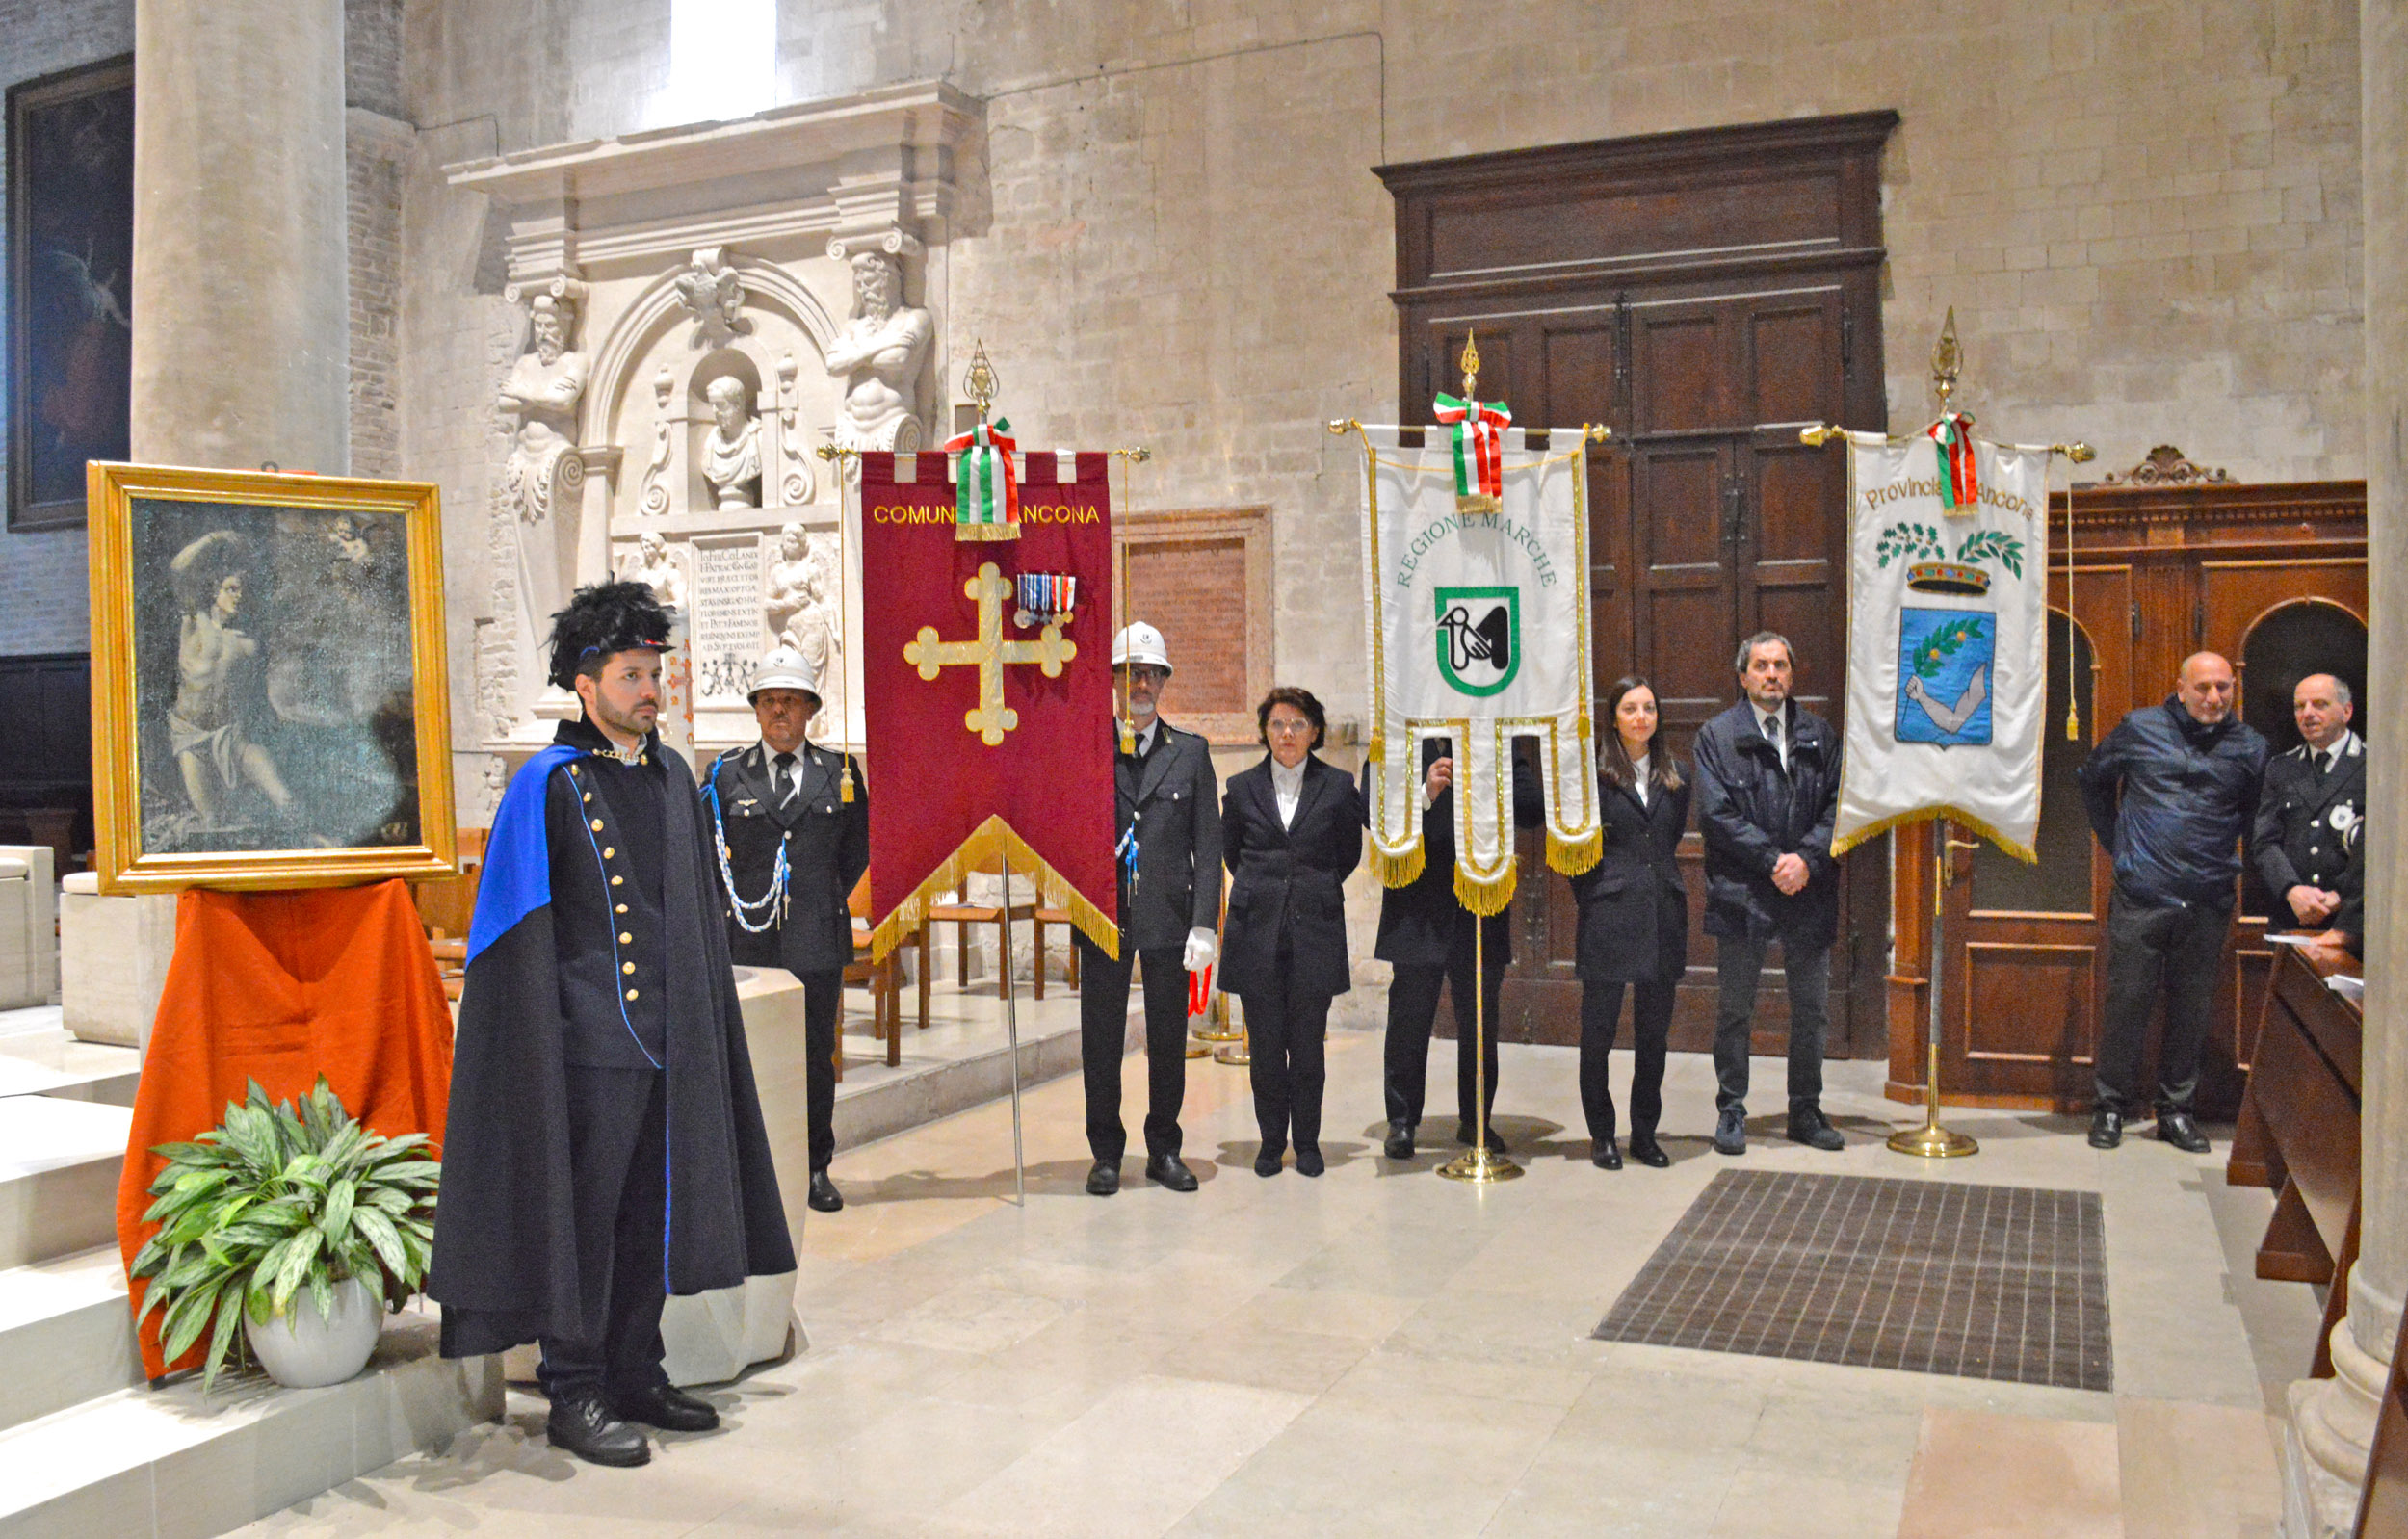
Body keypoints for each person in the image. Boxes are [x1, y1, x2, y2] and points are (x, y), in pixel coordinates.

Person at [431, 582, 793, 1468]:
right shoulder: (546, 787)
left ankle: (638, 1367)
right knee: (586, 1222)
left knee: (650, 1216)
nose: (648, 690)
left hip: (672, 1040)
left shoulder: (672, 774)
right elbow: (513, 937)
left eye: (653, 673)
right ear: (584, 686)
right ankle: (576, 1387)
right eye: (630, 675)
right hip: (589, 1048)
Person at [2077, 651, 2269, 1153]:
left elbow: (2257, 820)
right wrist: (2119, 843)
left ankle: (2176, 1113)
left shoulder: (2250, 747)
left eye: (2224, 687)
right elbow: (2093, 780)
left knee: (2192, 1010)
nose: (2214, 698)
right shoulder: (2140, 729)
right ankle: (2110, 1109)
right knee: (2128, 1005)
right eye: (2204, 687)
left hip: (2207, 900)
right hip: (2143, 895)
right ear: (2180, 687)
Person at [704, 646, 868, 1214]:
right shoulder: (725, 776)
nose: (780, 712)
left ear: (809, 711)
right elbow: (710, 858)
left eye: (791, 702)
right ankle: (754, 1169)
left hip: (815, 938)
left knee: (814, 1056)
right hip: (749, 940)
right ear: (755, 710)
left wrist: (817, 903)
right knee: (748, 1055)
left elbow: (855, 854)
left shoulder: (840, 773)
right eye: (770, 701)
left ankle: (815, 1166)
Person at [1075, 622, 1222, 1196]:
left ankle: (1164, 1148)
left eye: (1149, 674)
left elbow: (1207, 846)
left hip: (1168, 914)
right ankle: (1105, 1153)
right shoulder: (1087, 750)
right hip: (1103, 915)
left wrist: (1205, 923)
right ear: (1112, 680)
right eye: (1129, 672)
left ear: (1163, 683)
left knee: (1166, 1039)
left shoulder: (1189, 752)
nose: (1139, 683)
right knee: (1101, 1041)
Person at [1692, 632, 1846, 1156]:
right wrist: (1772, 860)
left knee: (1812, 1009)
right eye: (1761, 666)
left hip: (1809, 888)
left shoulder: (1820, 735)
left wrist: (1805, 858)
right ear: (1743, 677)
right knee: (1736, 1008)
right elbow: (1715, 815)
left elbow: (1837, 808)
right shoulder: (1716, 736)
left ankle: (1805, 1109)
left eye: (1780, 665)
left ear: (1792, 674)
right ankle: (1731, 1111)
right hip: (1744, 891)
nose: (1771, 674)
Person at [1370, 732, 1543, 1160]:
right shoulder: (1397, 736)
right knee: (1409, 1019)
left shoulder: (1494, 741)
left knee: (1480, 1020)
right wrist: (1424, 792)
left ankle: (1477, 1120)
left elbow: (1534, 808)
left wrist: (1487, 780)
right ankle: (1403, 1121)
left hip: (1479, 904)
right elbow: (1369, 808)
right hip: (1417, 903)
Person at [1218, 687, 1364, 1178]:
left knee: (1307, 1046)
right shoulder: (1240, 789)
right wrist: (1271, 891)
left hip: (1315, 930)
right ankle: (1269, 1142)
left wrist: (1308, 889)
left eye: (1298, 725)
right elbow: (1231, 854)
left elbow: (1348, 854)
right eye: (1278, 724)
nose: (1287, 734)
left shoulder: (1339, 786)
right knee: (1264, 1045)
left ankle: (1307, 1143)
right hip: (1256, 929)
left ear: (1315, 732)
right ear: (1264, 731)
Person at [1568, 676, 1691, 1170]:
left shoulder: (1677, 774)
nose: (1641, 717)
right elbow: (1574, 853)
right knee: (1597, 1032)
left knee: (1653, 1035)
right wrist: (1597, 894)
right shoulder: (1591, 774)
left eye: (1648, 708)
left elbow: (1668, 839)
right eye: (1629, 709)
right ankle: (1602, 1134)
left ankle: (1645, 1132)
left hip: (1662, 910)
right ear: (1612, 717)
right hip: (1609, 912)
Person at [2254, 673, 2364, 936]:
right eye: (2300, 706)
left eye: (2320, 704)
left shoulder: (2372, 766)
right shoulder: (2282, 768)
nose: (2308, 713)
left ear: (2346, 711)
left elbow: (2385, 850)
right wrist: (2292, 890)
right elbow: (2265, 842)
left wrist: (2340, 896)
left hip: (2351, 921)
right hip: (2292, 917)